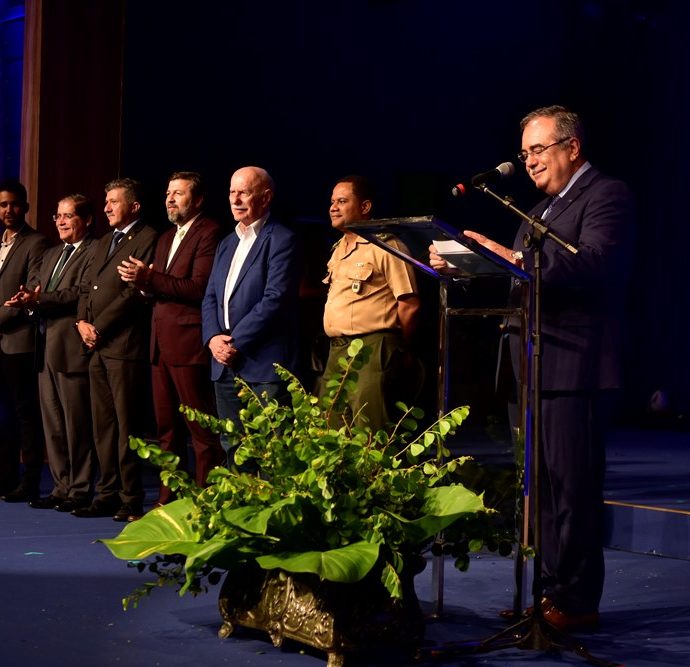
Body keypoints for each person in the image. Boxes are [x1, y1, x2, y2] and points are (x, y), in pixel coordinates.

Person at [430, 105, 635, 631]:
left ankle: (578, 602)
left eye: (537, 150)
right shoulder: (541, 212)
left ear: (572, 148)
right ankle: (547, 594)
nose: (528, 162)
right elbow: (523, 280)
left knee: (572, 490)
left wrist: (511, 256)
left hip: (573, 369)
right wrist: (470, 266)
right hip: (531, 366)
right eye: (524, 154)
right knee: (539, 491)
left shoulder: (606, 196)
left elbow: (594, 264)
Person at [117, 171, 226, 503]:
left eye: (178, 193)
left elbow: (198, 288)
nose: (170, 199)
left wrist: (149, 279)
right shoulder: (165, 238)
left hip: (189, 344)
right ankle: (168, 500)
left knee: (201, 432)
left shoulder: (210, 232)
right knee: (166, 432)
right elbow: (158, 288)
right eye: (168, 193)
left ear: (197, 199)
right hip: (159, 346)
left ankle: (205, 500)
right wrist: (142, 284)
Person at [5, 195, 97, 512]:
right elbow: (41, 292)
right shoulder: (53, 252)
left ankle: (81, 487)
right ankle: (61, 487)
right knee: (53, 424)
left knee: (76, 424)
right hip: (44, 347)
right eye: (57, 215)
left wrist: (38, 301)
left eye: (67, 216)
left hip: (71, 348)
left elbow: (78, 293)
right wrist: (28, 300)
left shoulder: (93, 251)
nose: (59, 221)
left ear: (86, 220)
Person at [201, 166, 299, 464]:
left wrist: (234, 342)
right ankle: (240, 511)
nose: (235, 199)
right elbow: (210, 297)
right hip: (224, 363)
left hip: (263, 364)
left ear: (266, 197)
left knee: (272, 452)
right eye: (232, 192)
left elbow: (275, 299)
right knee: (233, 446)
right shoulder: (227, 243)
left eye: (244, 192)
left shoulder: (281, 238)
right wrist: (212, 339)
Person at [74, 178, 158, 521]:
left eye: (114, 202)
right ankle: (106, 492)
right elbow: (87, 287)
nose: (106, 207)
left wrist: (99, 327)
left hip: (123, 346)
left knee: (127, 427)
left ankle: (130, 496)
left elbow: (134, 296)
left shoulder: (149, 238)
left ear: (134, 207)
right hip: (95, 346)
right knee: (103, 426)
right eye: (105, 201)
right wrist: (81, 321)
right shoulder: (105, 240)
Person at [320, 175, 420, 432]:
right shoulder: (339, 248)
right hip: (338, 350)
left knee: (369, 431)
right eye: (332, 201)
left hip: (372, 349)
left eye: (342, 201)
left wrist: (400, 350)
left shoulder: (387, 246)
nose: (333, 207)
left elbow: (409, 304)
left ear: (365, 207)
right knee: (331, 430)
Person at [0, 180, 50, 502]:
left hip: (19, 342)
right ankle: (4, 478)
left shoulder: (36, 243)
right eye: (3, 205)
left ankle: (30, 480)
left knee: (24, 415)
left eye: (15, 204)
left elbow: (29, 294)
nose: (8, 210)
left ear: (26, 207)